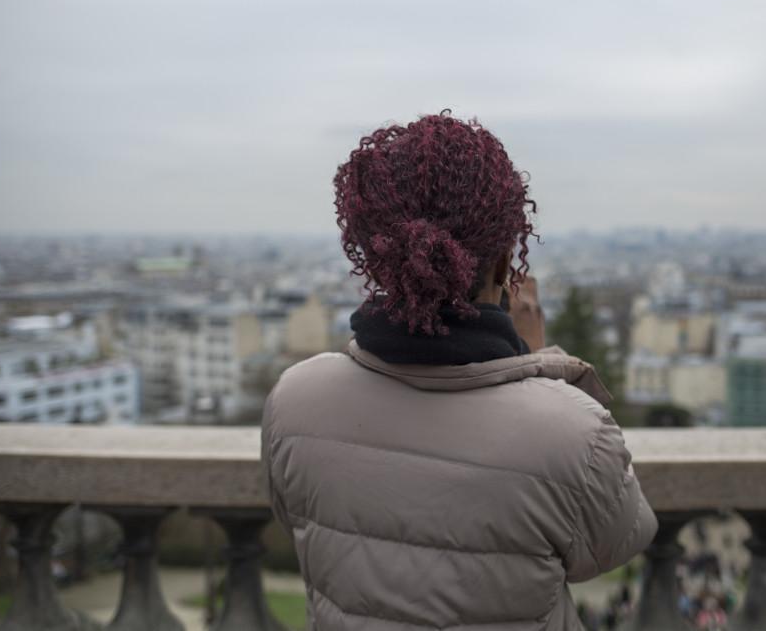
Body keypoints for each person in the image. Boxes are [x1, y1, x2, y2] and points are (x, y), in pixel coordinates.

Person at [261, 111, 657, 630]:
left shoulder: (296, 400)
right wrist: (535, 367)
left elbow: (293, 519)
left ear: (377, 259)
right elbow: (616, 543)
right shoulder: (570, 431)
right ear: (502, 265)